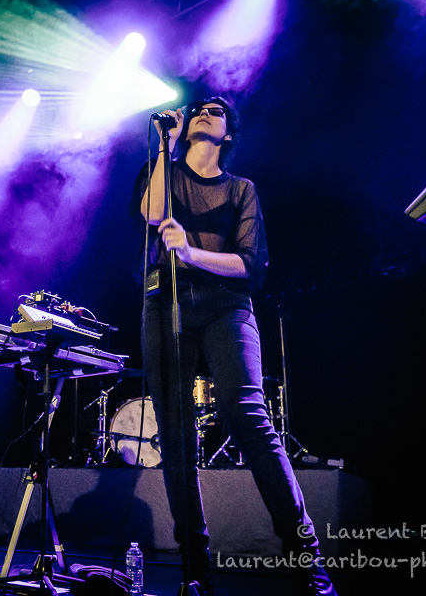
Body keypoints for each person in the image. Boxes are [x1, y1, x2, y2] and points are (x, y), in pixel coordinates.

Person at [137, 97, 338, 596]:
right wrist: (165, 146)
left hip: (227, 306)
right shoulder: (164, 168)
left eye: (217, 110)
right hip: (165, 305)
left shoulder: (241, 188)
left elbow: (250, 264)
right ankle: (195, 571)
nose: (204, 111)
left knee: (248, 414)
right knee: (176, 435)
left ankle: (306, 561)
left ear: (228, 133)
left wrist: (190, 252)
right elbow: (152, 213)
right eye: (199, 109)